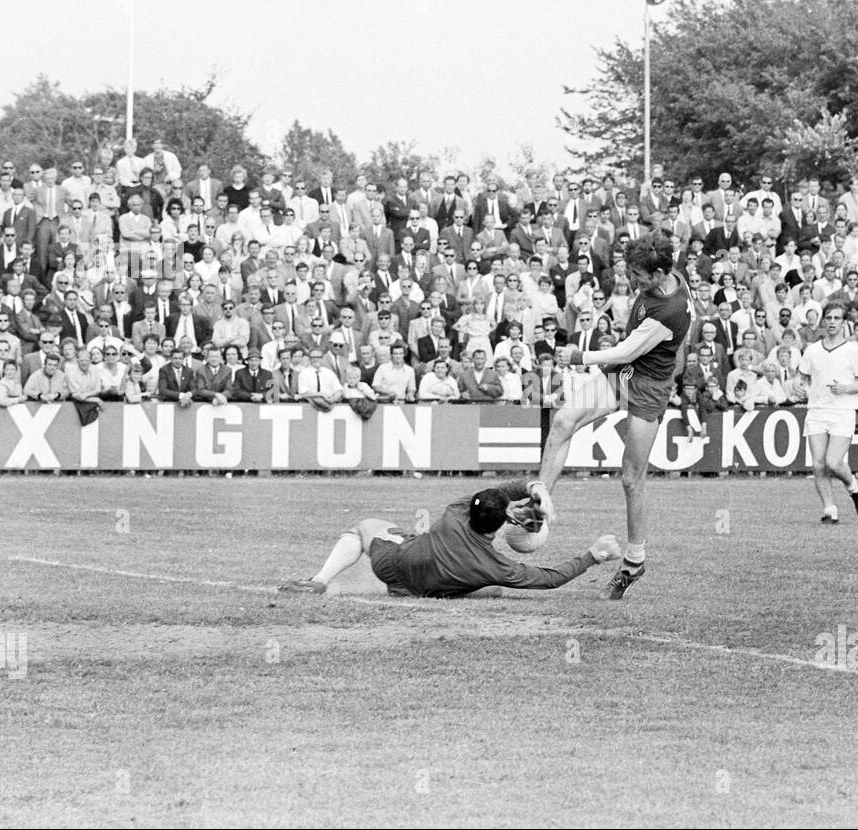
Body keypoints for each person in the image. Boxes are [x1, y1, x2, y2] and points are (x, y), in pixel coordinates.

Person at [537, 232, 693, 601]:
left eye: (638, 275)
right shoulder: (670, 277)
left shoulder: (669, 310)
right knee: (562, 421)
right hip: (626, 375)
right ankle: (538, 504)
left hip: (648, 385)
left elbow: (623, 352)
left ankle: (635, 560)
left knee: (630, 478)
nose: (631, 281)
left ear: (658, 273)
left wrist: (577, 357)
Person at [278, 479, 619, 599]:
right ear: (502, 524)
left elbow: (496, 494)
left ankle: (320, 580)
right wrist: (594, 554)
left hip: (393, 565)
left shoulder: (455, 511)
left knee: (365, 527)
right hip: (426, 589)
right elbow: (548, 579)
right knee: (493, 588)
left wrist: (530, 489)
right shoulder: (496, 565)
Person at [795, 300, 858, 524]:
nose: (832, 322)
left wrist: (846, 388)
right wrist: (799, 386)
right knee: (818, 464)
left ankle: (854, 488)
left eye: (837, 318)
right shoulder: (812, 350)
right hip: (817, 409)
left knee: (833, 462)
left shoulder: (852, 350)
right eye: (829, 318)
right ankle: (830, 509)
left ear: (843, 322)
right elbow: (802, 377)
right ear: (823, 321)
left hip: (842, 411)